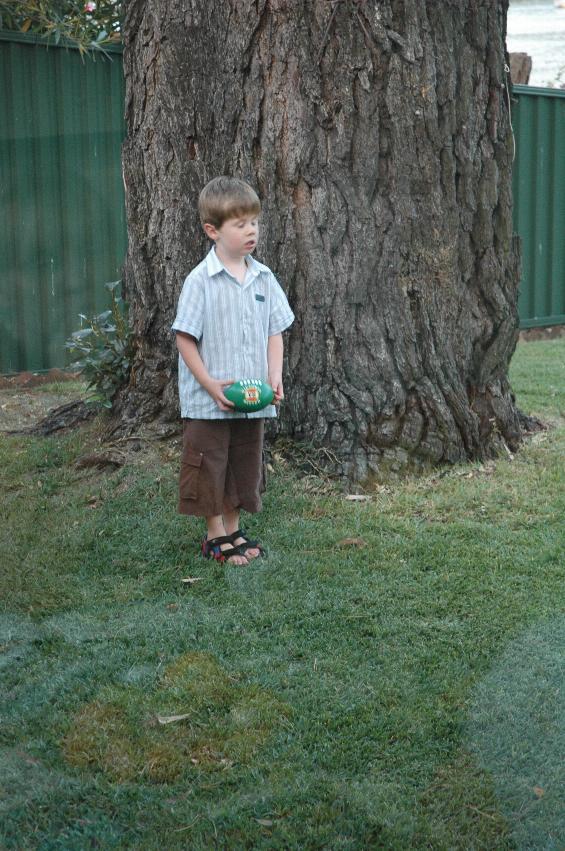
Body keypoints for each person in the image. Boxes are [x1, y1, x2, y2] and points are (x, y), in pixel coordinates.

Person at [172, 176, 295, 565]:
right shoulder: (200, 281)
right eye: (240, 224)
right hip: (210, 401)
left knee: (243, 460)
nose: (251, 231)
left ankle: (234, 528)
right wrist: (208, 383)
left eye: (254, 222)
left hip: (253, 396)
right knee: (211, 462)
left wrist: (274, 375)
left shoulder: (264, 278)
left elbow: (275, 330)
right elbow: (184, 338)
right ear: (213, 230)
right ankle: (214, 536)